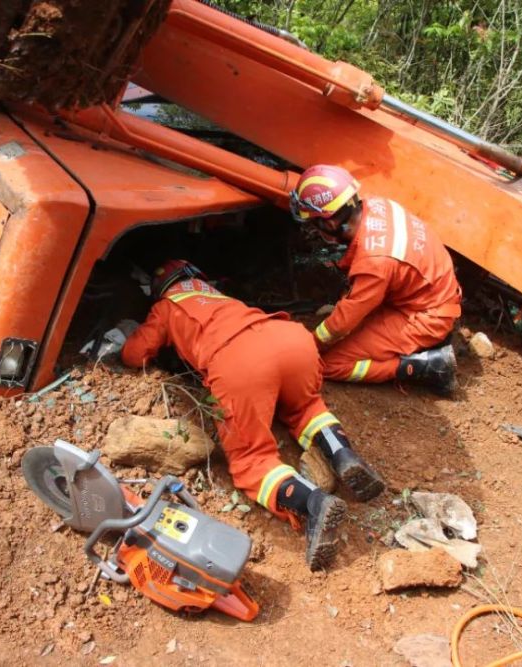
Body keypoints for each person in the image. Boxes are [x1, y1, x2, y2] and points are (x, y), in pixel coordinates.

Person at [115, 260, 384, 570]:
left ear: (161, 289)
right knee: (305, 407)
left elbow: (135, 355)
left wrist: (127, 344)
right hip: (291, 340)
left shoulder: (166, 307)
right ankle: (344, 456)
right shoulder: (218, 295)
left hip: (240, 363)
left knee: (251, 460)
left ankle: (312, 503)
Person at [290, 165, 463, 394]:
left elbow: (341, 324)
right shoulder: (376, 204)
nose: (314, 230)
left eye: (314, 223)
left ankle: (427, 366)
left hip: (427, 317)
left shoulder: (375, 262)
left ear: (329, 223)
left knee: (331, 364)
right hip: (431, 293)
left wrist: (311, 346)